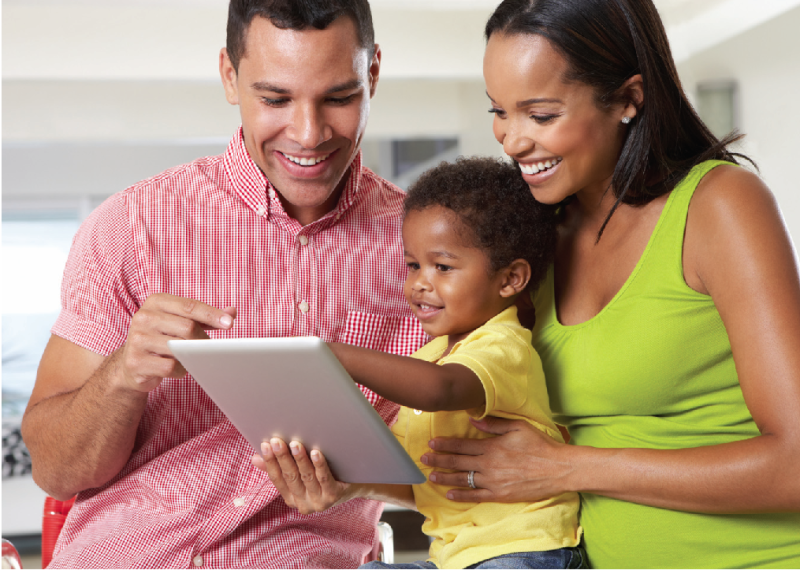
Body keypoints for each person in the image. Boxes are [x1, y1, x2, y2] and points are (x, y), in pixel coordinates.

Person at [20, 1, 429, 567]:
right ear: (230, 77)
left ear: (373, 74)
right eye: (275, 99)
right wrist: (124, 373)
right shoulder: (132, 226)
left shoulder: (431, 253)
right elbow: (56, 471)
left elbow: (472, 468)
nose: (309, 135)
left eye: (338, 97)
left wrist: (359, 485)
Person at [418, 0, 800, 568]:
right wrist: (354, 483)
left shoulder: (720, 207)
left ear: (628, 99)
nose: (511, 140)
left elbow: (794, 464)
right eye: (499, 110)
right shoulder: (532, 238)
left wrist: (565, 466)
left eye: (540, 115)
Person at [256, 157, 585, 569]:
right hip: (455, 558)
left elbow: (439, 389)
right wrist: (340, 479)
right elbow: (423, 480)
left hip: (522, 549)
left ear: (510, 279)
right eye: (413, 265)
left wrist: (332, 354)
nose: (419, 283)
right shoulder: (432, 354)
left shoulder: (504, 346)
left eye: (442, 267)